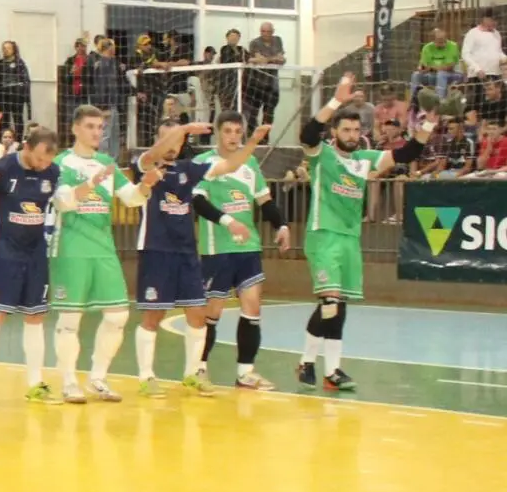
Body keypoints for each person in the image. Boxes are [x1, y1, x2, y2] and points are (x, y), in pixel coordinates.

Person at [296, 74, 433, 391]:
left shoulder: (364, 159)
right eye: (346, 130)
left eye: (357, 130)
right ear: (335, 133)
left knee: (339, 308)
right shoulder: (322, 155)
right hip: (323, 236)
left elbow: (407, 153)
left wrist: (429, 124)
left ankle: (332, 371)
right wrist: (336, 101)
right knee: (329, 302)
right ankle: (306, 361)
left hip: (349, 239)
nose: (353, 135)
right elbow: (308, 133)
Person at [130, 120, 268, 397]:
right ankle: (146, 376)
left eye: (176, 139)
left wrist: (252, 142)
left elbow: (229, 165)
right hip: (157, 251)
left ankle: (192, 374)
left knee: (196, 314)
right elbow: (153, 154)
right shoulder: (143, 166)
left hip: (187, 253)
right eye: (166, 138)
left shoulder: (187, 169)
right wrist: (181, 130)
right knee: (153, 316)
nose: (171, 144)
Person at [50, 104, 154, 404]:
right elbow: (63, 202)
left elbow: (132, 199)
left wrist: (145, 186)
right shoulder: (61, 163)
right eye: (91, 127)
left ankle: (98, 378)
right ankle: (69, 381)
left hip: (104, 248)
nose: (97, 132)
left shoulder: (107, 163)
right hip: (71, 247)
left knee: (118, 315)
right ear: (75, 129)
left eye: (100, 128)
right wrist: (92, 183)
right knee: (70, 319)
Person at [194, 112, 291, 390]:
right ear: (218, 134)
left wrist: (281, 224)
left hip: (248, 248)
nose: (234, 137)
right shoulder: (204, 164)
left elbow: (265, 201)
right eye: (228, 131)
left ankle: (245, 372)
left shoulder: (250, 164)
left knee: (253, 308)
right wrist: (228, 221)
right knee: (212, 312)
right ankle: (199, 369)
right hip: (218, 249)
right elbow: (198, 203)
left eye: (238, 131)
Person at [0, 124, 63, 409]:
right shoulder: (2, 169)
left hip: (35, 253)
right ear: (26, 147)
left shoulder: (53, 172)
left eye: (47, 161)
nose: (42, 165)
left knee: (35, 316)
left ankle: (35, 383)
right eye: (38, 159)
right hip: (4, 253)